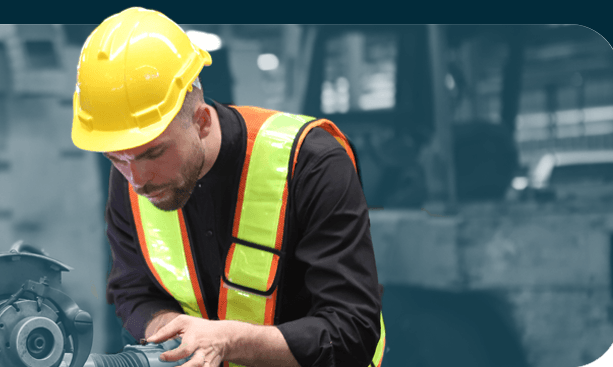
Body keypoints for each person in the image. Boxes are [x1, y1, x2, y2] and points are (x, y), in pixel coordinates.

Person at [70, 7, 385, 367]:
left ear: (201, 121)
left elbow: (352, 332)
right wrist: (175, 334)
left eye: (154, 152)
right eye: (116, 159)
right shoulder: (131, 171)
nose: (137, 180)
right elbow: (133, 290)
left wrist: (228, 341)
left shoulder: (311, 163)